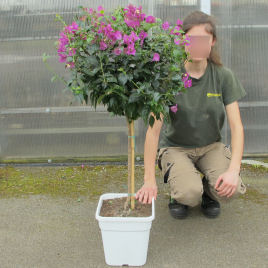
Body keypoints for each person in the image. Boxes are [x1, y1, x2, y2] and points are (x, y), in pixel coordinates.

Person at [135, 10, 247, 219]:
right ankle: (179, 193)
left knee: (233, 190)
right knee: (188, 193)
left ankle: (209, 191)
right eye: (191, 39)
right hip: (176, 147)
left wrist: (233, 170)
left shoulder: (223, 76)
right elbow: (153, 131)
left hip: (211, 147)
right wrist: (148, 179)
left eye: (203, 39)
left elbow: (237, 127)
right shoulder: (168, 77)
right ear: (182, 41)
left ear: (212, 41)